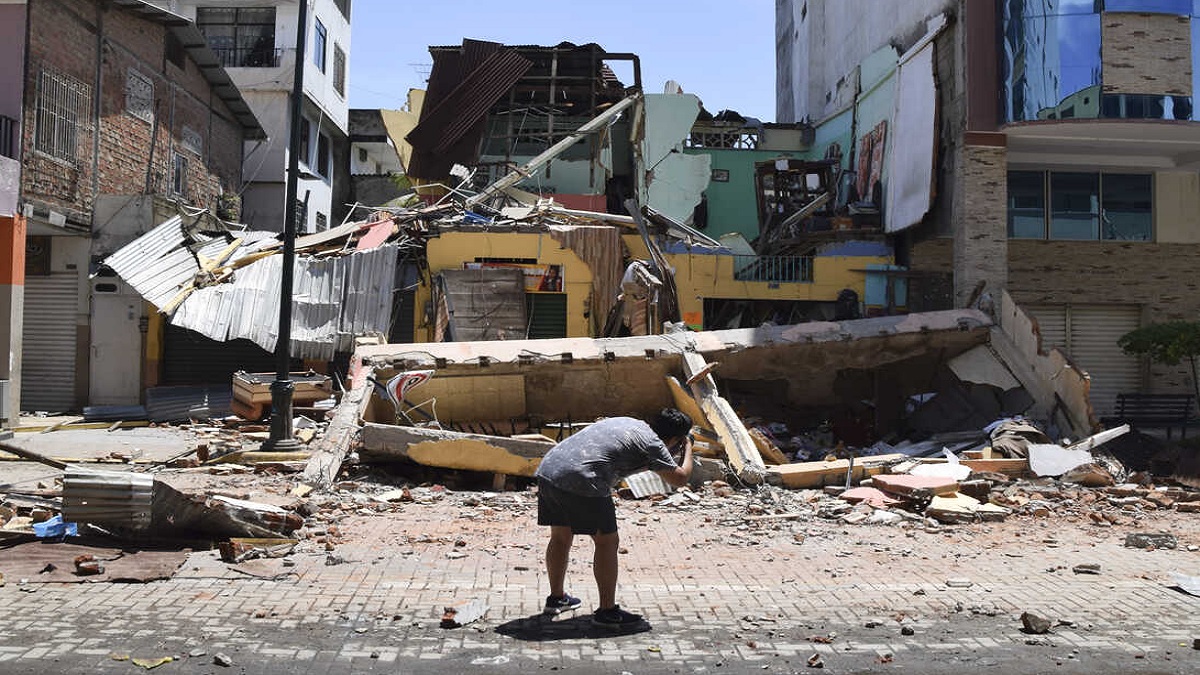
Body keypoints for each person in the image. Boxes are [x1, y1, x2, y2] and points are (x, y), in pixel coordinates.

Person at [534, 408, 695, 630]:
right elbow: (680, 478)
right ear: (676, 438)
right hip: (583, 479)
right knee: (607, 542)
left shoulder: (630, 422)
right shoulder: (653, 445)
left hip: (549, 470)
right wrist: (688, 449)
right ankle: (607, 611)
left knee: (561, 537)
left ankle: (557, 599)